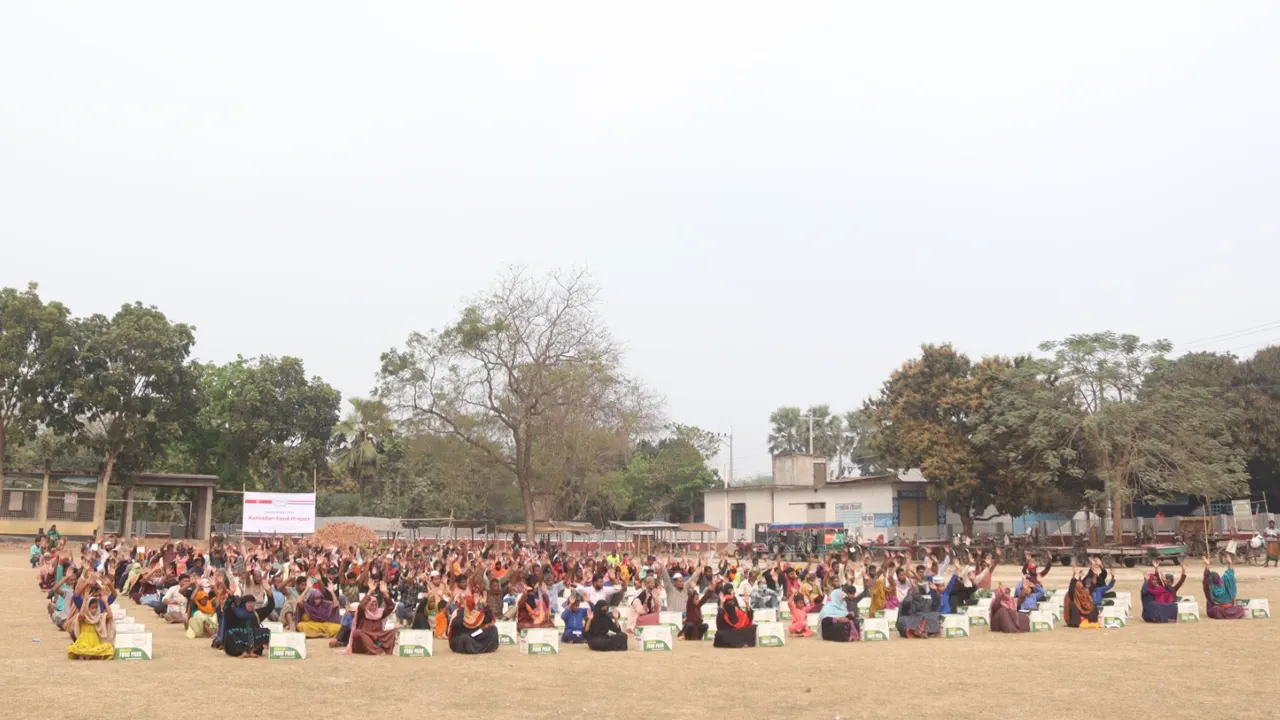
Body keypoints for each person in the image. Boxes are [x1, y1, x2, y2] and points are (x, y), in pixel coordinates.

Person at [64, 577, 116, 660]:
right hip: (83, 640)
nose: (94, 610)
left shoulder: (101, 605)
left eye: (99, 595)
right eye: (94, 595)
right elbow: (76, 596)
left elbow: (109, 615)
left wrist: (109, 586)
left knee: (107, 648)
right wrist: (86, 585)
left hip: (96, 640)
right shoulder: (84, 608)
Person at [348, 582, 398, 654]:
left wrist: (384, 593)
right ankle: (377, 651)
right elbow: (361, 606)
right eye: (371, 605)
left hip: (377, 638)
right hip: (364, 642)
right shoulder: (363, 613)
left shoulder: (379, 613)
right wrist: (370, 591)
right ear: (368, 605)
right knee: (357, 633)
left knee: (393, 631)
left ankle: (383, 649)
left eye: (375, 605)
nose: (374, 607)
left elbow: (391, 607)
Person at [222, 593, 274, 657]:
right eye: (249, 603)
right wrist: (231, 596)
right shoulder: (234, 613)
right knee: (229, 633)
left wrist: (269, 592)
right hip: (238, 640)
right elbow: (226, 609)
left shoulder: (255, 614)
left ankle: (251, 651)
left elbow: (270, 607)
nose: (252, 605)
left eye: (253, 603)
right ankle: (243, 651)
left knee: (267, 632)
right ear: (244, 604)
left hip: (253, 642)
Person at [1203, 555, 1246, 620]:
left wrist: (1230, 563)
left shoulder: (1224, 582)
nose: (1218, 580)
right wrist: (1207, 565)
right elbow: (1207, 579)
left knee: (1240, 609)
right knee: (1216, 609)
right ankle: (1229, 615)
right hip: (1217, 608)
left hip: (1227, 608)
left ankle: (1225, 615)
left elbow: (1229, 576)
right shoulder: (1210, 587)